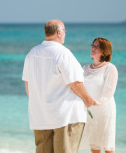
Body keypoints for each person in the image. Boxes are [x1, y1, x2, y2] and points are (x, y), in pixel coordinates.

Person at [22, 19, 98, 153]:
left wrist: (39, 103)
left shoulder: (31, 54)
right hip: (65, 116)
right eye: (64, 31)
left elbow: (28, 85)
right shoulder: (63, 53)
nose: (64, 34)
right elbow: (75, 82)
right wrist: (88, 99)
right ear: (59, 33)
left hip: (40, 116)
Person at [79, 37, 118, 153]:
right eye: (93, 45)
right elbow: (79, 87)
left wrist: (98, 102)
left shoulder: (110, 68)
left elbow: (109, 91)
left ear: (105, 51)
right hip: (90, 110)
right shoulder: (85, 68)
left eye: (97, 47)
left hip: (105, 110)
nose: (93, 48)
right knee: (94, 144)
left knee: (107, 145)